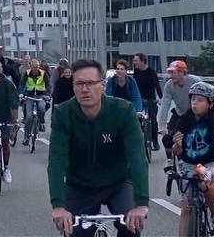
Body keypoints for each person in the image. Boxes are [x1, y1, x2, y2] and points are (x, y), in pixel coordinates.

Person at [48, 59, 149, 237]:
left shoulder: (123, 111)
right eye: (79, 83)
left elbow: (137, 157)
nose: (85, 89)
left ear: (102, 85)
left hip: (118, 182)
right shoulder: (63, 113)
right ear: (73, 86)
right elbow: (57, 159)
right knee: (74, 231)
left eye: (90, 83)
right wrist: (58, 206)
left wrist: (141, 203)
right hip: (80, 185)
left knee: (131, 227)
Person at [172, 82, 214, 237]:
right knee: (186, 206)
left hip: (207, 162)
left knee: (206, 183)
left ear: (210, 104)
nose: (194, 103)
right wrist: (177, 145)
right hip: (189, 163)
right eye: (193, 99)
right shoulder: (185, 118)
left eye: (200, 100)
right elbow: (177, 151)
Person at [158, 61, 202, 166]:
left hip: (194, 114)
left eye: (174, 72)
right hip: (179, 113)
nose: (171, 75)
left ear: (183, 73)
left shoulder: (195, 82)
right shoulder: (169, 86)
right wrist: (162, 125)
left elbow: (205, 101)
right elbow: (165, 105)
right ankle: (169, 159)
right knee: (168, 137)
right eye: (170, 73)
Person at [130, 54, 163, 151]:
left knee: (153, 121)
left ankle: (155, 141)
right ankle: (139, 140)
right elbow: (134, 85)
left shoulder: (151, 72)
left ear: (142, 61)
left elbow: (157, 85)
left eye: (136, 60)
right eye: (134, 60)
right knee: (137, 119)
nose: (134, 62)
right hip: (139, 99)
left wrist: (161, 98)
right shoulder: (136, 71)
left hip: (150, 99)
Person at [19, 59, 51, 144]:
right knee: (29, 117)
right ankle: (26, 137)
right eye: (33, 67)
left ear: (39, 66)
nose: (35, 68)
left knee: (42, 108)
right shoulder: (26, 73)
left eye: (37, 67)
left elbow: (48, 85)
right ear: (31, 66)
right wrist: (21, 93)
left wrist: (48, 94)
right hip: (29, 95)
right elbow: (22, 84)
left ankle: (41, 122)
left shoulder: (43, 73)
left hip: (41, 95)